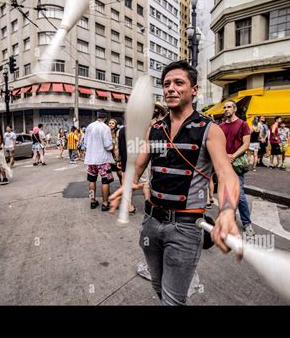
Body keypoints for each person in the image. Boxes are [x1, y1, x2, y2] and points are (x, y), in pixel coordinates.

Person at [109, 60, 240, 306]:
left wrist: (227, 210)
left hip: (186, 228)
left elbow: (226, 174)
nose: (170, 88)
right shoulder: (155, 129)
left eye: (179, 82)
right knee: (158, 286)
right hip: (151, 222)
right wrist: (126, 186)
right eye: (166, 84)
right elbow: (138, 166)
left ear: (194, 90)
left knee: (172, 300)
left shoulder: (209, 130)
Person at [220, 100, 255, 237]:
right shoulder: (221, 126)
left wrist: (232, 156)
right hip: (224, 164)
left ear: (234, 109)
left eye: (229, 107)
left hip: (236, 164)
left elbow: (246, 144)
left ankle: (247, 224)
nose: (226, 109)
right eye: (224, 107)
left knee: (239, 196)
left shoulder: (243, 124)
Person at [84, 109, 114, 211]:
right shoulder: (105, 128)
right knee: (105, 181)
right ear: (105, 117)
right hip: (103, 159)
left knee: (91, 181)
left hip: (91, 159)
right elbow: (108, 146)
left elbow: (85, 143)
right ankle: (105, 203)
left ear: (97, 116)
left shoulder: (89, 126)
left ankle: (92, 201)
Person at [108, 119, 123, 183]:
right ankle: (107, 192)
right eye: (110, 123)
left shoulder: (118, 132)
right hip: (108, 156)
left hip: (116, 155)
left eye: (112, 123)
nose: (111, 124)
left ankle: (123, 188)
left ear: (115, 125)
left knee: (120, 173)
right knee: (107, 174)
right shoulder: (106, 132)